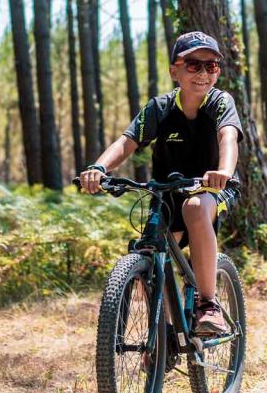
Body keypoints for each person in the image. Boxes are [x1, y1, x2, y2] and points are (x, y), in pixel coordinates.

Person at [79, 31, 242, 334]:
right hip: (166, 191)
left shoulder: (221, 103)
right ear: (174, 71)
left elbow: (228, 137)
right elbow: (126, 143)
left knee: (195, 208)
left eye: (211, 66)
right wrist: (99, 168)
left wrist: (223, 171)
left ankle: (209, 304)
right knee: (150, 248)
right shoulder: (160, 108)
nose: (203, 73)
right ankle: (164, 333)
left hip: (212, 188)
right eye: (193, 65)